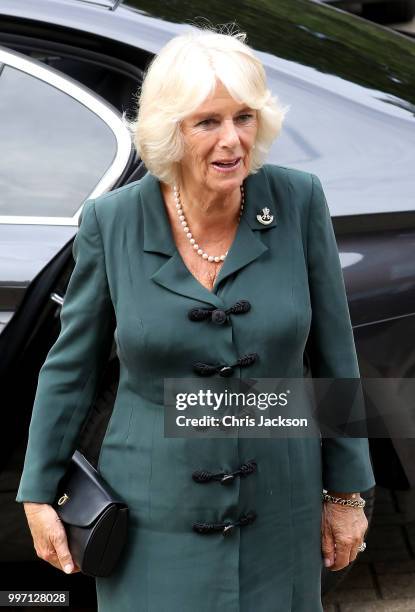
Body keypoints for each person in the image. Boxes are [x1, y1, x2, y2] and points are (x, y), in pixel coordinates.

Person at [15, 27, 375, 611]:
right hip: (152, 509)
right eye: (207, 122)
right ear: (170, 130)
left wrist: (348, 495)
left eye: (244, 117)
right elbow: (71, 368)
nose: (231, 141)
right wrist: (37, 495)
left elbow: (336, 355)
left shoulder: (298, 201)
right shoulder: (113, 222)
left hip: (280, 501)